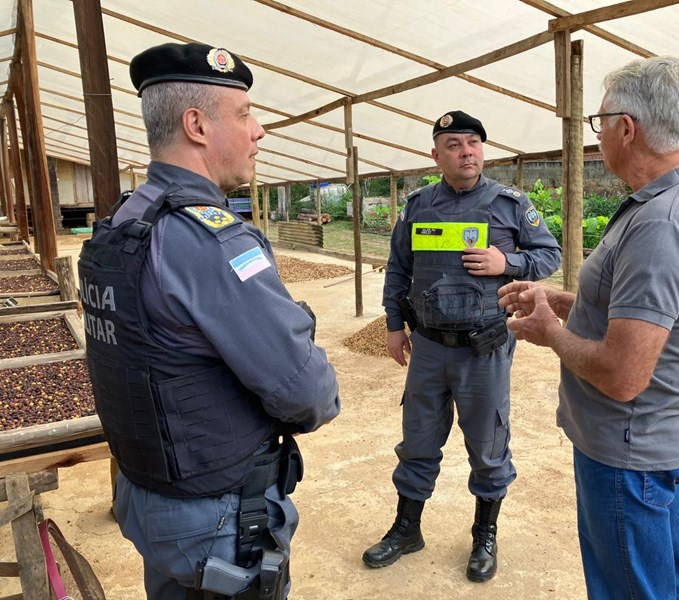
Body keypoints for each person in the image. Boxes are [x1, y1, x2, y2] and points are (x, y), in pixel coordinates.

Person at [77, 42, 340, 600]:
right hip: (216, 516)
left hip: (151, 495)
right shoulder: (209, 240)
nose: (259, 131)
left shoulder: (125, 221)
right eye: (244, 115)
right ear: (196, 125)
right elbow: (307, 392)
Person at [498, 56, 679, 599]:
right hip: (645, 443)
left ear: (627, 128)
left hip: (628, 450)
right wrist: (563, 301)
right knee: (659, 582)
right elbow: (640, 315)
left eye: (599, 122)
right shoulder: (675, 203)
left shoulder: (663, 223)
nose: (597, 134)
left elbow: (623, 374)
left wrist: (550, 331)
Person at [364, 110, 561, 582]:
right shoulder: (417, 206)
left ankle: (484, 536)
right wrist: (394, 325)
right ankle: (407, 529)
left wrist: (506, 262)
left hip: (484, 349)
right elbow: (398, 268)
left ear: (482, 150)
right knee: (417, 441)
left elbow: (549, 254)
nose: (466, 151)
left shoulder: (511, 204)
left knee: (488, 446)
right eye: (453, 144)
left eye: (473, 142)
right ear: (436, 156)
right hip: (428, 347)